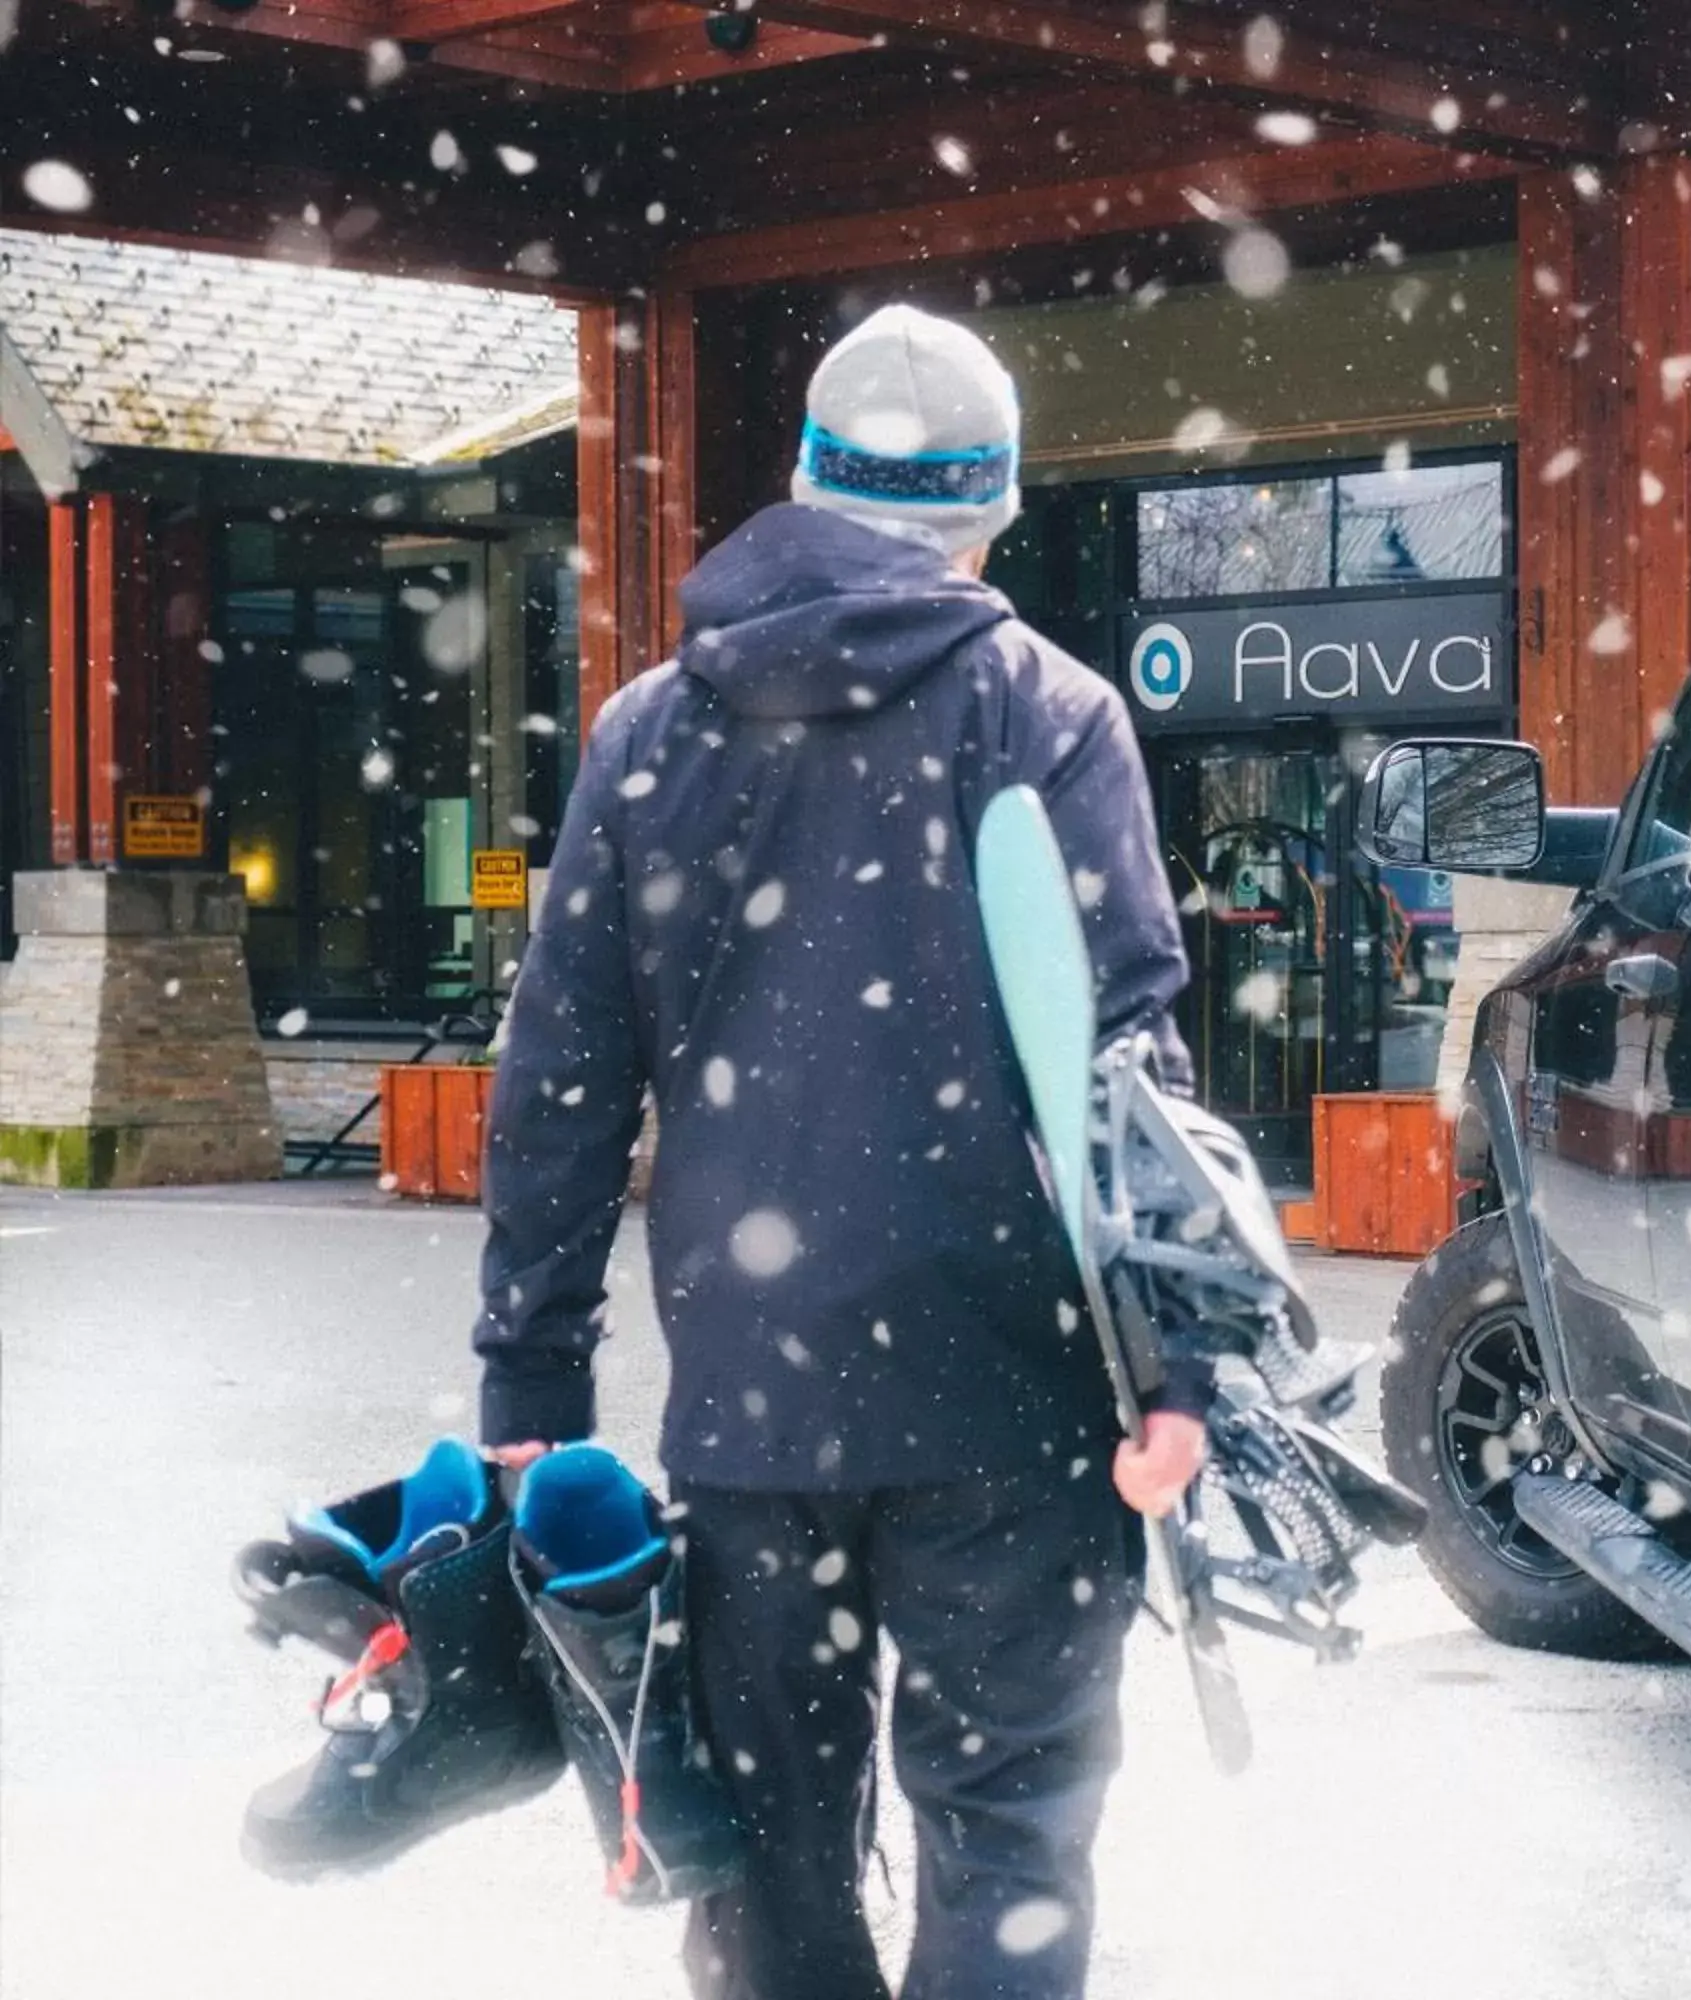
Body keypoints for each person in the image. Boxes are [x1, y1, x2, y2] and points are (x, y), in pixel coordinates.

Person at [472, 303, 1209, 2000]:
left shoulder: (647, 734)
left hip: (753, 1407)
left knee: (770, 1865)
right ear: (994, 509)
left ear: (801, 484)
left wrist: (532, 1392)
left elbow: (563, 1079)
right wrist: (1181, 1375)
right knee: (1011, 1842)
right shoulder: (1051, 714)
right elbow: (1129, 1067)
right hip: (1020, 1400)